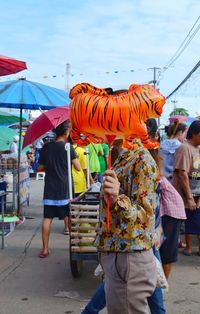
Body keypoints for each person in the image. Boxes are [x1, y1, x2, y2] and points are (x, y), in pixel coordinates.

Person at [94, 137, 158, 314]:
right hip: (117, 255)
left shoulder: (141, 159)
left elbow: (145, 216)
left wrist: (117, 199)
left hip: (129, 257)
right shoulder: (121, 156)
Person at [38, 120, 81, 258]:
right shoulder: (68, 147)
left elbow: (40, 168)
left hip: (50, 188)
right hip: (64, 188)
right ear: (66, 132)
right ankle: (74, 247)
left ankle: (45, 249)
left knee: (47, 218)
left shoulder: (46, 147)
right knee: (69, 217)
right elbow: (78, 167)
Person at [172, 120, 200, 256]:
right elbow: (182, 174)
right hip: (186, 194)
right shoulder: (184, 148)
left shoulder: (198, 148)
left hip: (196, 192)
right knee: (190, 222)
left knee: (195, 221)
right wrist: (189, 198)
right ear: (194, 134)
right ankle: (188, 247)